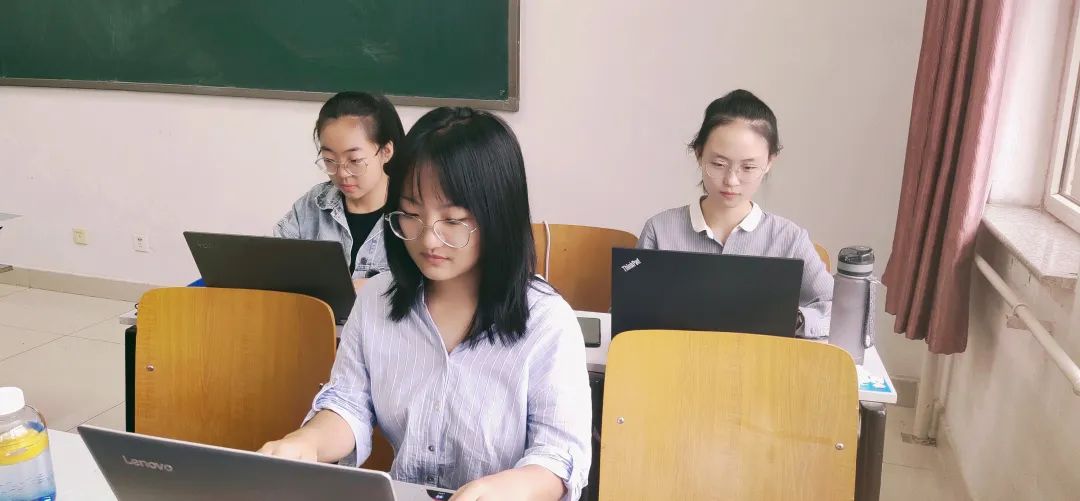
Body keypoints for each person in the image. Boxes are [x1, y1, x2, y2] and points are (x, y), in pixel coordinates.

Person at [260, 107, 592, 500]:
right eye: (411, 214)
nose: (428, 240)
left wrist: (504, 489)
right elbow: (350, 404)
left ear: (498, 216)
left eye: (452, 220)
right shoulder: (377, 302)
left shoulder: (547, 321)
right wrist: (307, 443)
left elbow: (559, 455)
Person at [638, 89, 833, 338]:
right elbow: (627, 311)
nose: (731, 180)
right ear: (699, 154)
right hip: (678, 357)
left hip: (759, 360)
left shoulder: (789, 239)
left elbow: (837, 311)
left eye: (748, 167)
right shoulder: (660, 230)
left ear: (769, 162)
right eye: (718, 164)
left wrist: (790, 319)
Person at [274, 91, 404, 290]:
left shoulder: (411, 214)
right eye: (329, 160)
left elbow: (427, 287)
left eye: (355, 161)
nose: (342, 173)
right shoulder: (313, 204)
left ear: (386, 152)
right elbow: (275, 264)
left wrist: (374, 288)